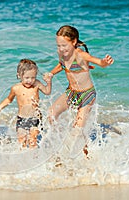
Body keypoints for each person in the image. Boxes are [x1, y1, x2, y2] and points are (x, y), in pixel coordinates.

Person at [48, 25, 114, 156]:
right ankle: (61, 141)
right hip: (71, 92)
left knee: (78, 129)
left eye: (64, 45)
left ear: (73, 42)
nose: (61, 49)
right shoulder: (62, 53)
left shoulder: (81, 55)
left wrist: (104, 62)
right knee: (51, 115)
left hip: (86, 95)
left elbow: (98, 62)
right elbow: (62, 64)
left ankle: (82, 154)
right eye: (58, 46)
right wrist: (51, 73)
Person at [0, 59, 52, 148]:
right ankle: (23, 159)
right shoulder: (16, 88)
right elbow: (9, 100)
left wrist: (48, 82)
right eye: (27, 78)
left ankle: (34, 157)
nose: (30, 80)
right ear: (19, 75)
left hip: (35, 118)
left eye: (33, 77)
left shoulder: (37, 84)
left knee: (33, 141)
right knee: (22, 142)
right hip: (21, 119)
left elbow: (47, 92)